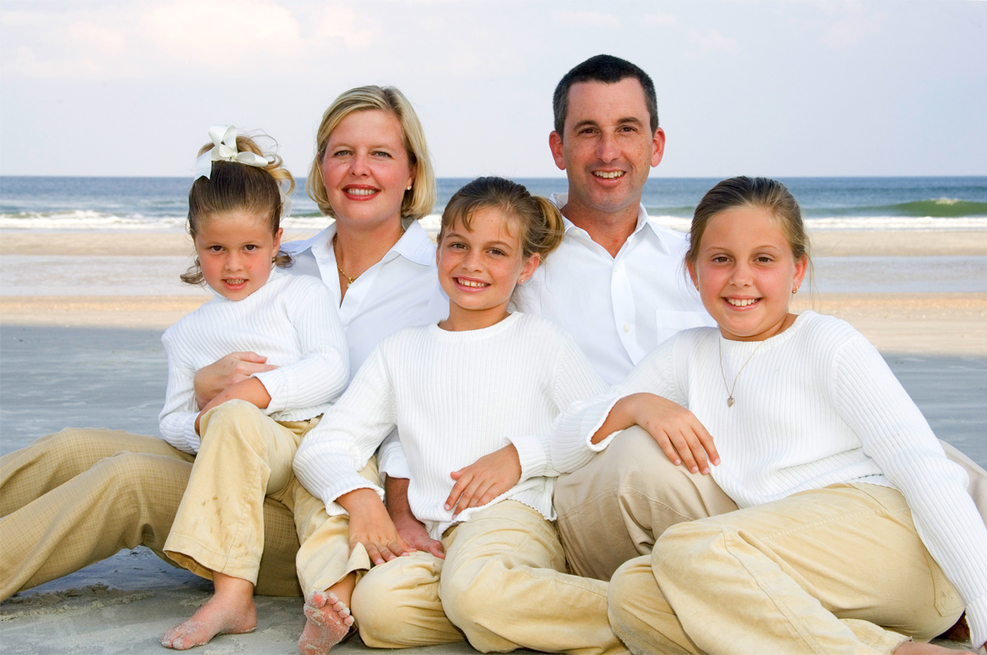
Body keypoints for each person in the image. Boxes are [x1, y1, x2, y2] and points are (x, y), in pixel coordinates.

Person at [525, 53, 987, 584]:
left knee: (927, 458)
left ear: (655, 145)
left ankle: (964, 584)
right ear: (558, 147)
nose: (608, 151)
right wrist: (633, 408)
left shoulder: (705, 259)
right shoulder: (518, 268)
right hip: (623, 474)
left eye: (627, 129)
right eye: (588, 131)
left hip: (742, 465)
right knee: (638, 459)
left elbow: (766, 353)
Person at [0, 85, 448, 602]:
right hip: (234, 463)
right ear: (321, 166)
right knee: (73, 448)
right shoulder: (280, 261)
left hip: (331, 507)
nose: (359, 169)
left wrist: (401, 511)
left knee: (129, 481)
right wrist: (201, 386)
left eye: (381, 154)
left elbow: (430, 418)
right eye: (343, 152)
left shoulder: (444, 283)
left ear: (412, 171)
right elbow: (209, 381)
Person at [553, 176, 987, 655]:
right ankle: (890, 650)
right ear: (693, 271)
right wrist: (635, 405)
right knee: (635, 594)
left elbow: (923, 469)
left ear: (797, 270)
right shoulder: (687, 354)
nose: (740, 277)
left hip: (892, 543)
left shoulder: (828, 343)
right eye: (721, 259)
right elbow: (567, 435)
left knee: (687, 549)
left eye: (763, 259)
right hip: (790, 561)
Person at [292, 177, 624, 654]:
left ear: (527, 267)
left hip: (513, 518)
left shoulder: (541, 340)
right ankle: (493, 606)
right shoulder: (400, 351)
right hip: (436, 536)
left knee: (474, 588)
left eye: (496, 252)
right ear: (438, 250)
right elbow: (323, 445)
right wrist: (363, 501)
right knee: (378, 610)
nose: (472, 264)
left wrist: (521, 456)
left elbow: (601, 426)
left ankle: (647, 609)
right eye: (458, 245)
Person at [154, 126, 352, 649]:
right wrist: (211, 418)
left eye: (250, 247)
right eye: (216, 248)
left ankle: (331, 604)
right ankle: (232, 596)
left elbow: (332, 366)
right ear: (195, 243)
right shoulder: (187, 334)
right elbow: (171, 420)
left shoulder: (301, 295)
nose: (234, 264)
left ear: (277, 240)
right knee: (234, 421)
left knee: (331, 515)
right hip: (243, 448)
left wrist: (251, 392)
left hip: (316, 436)